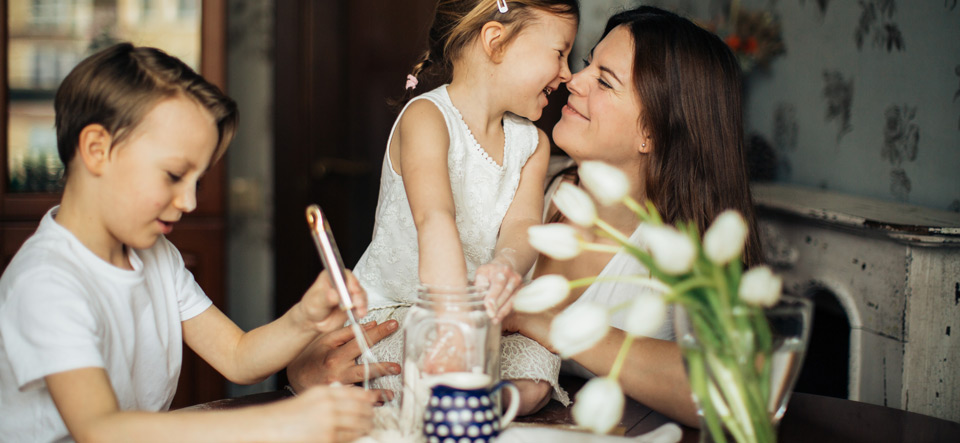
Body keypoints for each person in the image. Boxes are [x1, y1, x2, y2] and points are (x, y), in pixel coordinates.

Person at [0, 43, 377, 443]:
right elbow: (100, 429)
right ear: (97, 150)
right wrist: (282, 422)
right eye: (174, 175)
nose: (190, 201)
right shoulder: (46, 282)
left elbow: (237, 356)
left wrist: (306, 318)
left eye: (196, 181)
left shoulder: (155, 255)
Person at [291, 0, 580, 416]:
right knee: (417, 362)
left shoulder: (533, 144)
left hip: (478, 321)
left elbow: (522, 225)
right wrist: (452, 325)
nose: (567, 73)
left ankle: (460, 403)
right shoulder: (427, 117)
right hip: (407, 309)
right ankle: (449, 396)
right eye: (560, 52)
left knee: (536, 376)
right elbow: (435, 218)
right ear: (496, 42)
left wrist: (506, 265)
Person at [503, 5, 763, 427]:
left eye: (604, 80)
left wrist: (554, 324)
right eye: (589, 63)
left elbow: (732, 391)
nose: (574, 78)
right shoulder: (527, 183)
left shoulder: (684, 253)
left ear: (652, 133)